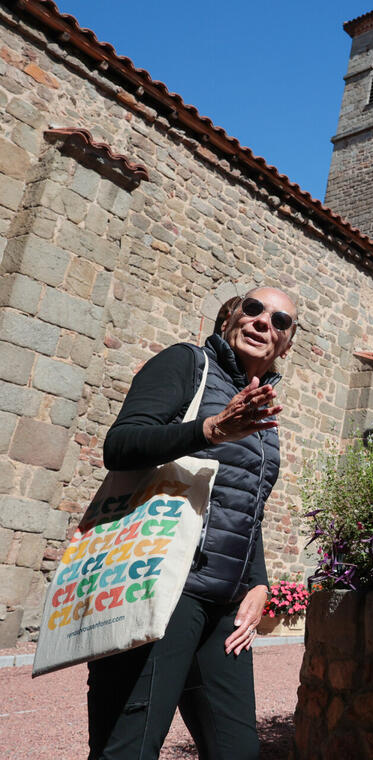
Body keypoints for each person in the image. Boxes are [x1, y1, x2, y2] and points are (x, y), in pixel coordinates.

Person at [89, 286, 298, 759]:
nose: (265, 322)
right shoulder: (187, 364)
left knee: (237, 751)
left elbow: (247, 505)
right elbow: (119, 446)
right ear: (230, 317)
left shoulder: (260, 409)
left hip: (222, 606)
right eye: (253, 309)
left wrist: (259, 584)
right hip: (161, 584)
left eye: (280, 321)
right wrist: (208, 430)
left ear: (286, 343)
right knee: (128, 749)